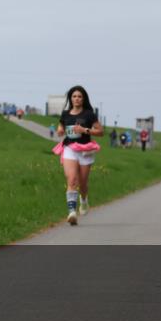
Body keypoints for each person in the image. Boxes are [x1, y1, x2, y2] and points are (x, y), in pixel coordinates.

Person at [54, 85, 103, 225]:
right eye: (74, 96)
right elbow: (61, 126)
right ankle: (72, 212)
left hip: (85, 150)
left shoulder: (89, 114)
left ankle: (84, 200)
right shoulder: (65, 113)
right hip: (69, 148)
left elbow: (100, 131)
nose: (77, 99)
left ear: (83, 99)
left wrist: (84, 130)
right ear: (70, 98)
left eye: (79, 96)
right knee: (71, 180)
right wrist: (60, 130)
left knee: (82, 183)